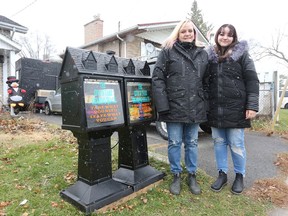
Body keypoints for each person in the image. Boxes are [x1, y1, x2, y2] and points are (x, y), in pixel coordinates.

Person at [152, 19, 208, 195]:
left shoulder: (202, 54)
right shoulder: (168, 51)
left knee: (191, 143)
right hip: (174, 106)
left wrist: (204, 102)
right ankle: (176, 174)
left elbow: (207, 81)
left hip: (195, 106)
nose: (187, 34)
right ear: (178, 33)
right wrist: (162, 105)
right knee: (174, 142)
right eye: (183, 31)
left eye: (190, 31)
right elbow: (157, 78)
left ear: (194, 34)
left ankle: (191, 175)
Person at [205, 24, 259, 195]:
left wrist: (252, 105)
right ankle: (222, 174)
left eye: (229, 35)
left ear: (234, 38)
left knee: (236, 144)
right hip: (215, 108)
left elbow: (252, 80)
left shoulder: (242, 55)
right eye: (221, 34)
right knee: (219, 143)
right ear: (217, 36)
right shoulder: (210, 57)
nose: (225, 37)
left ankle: (239, 176)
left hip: (237, 108)